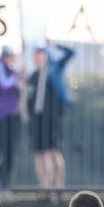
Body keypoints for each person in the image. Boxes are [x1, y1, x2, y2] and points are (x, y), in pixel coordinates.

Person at [28, 41, 75, 190]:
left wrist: (55, 44)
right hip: (38, 118)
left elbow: (71, 53)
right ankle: (44, 186)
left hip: (52, 117)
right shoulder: (35, 75)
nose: (37, 58)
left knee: (52, 152)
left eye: (40, 54)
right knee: (40, 153)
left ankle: (58, 185)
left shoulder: (55, 68)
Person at [0, 46, 23, 188]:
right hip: (1, 116)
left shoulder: (10, 69)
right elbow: (3, 85)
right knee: (4, 150)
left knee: (9, 151)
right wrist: (17, 76)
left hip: (11, 116)